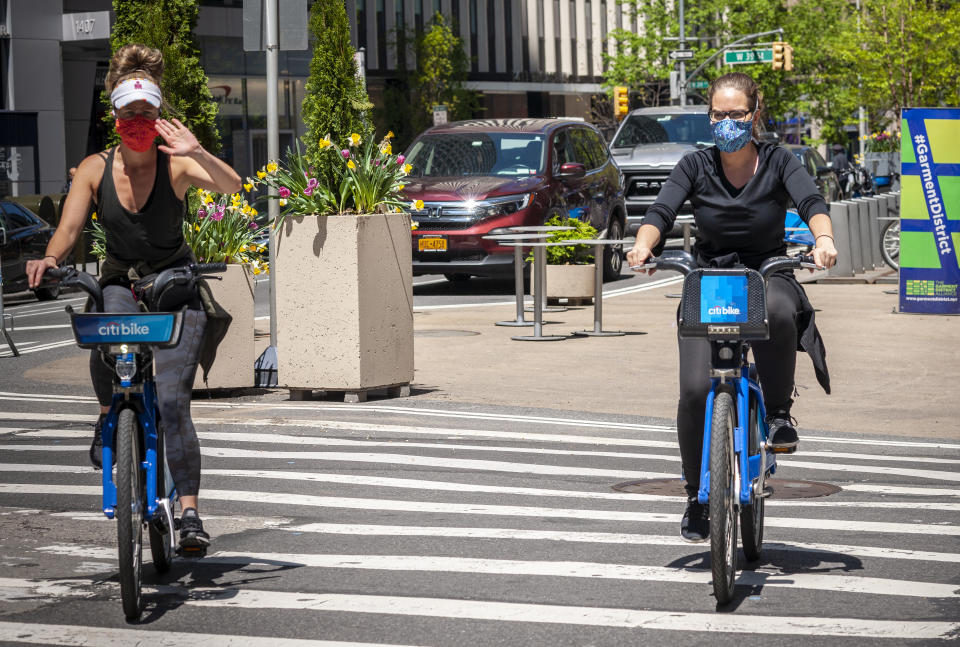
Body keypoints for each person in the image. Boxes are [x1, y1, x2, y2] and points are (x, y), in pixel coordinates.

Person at [26, 44, 242, 552]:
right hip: (123, 281)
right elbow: (68, 230)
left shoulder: (178, 166)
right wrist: (51, 261)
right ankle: (110, 413)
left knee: (172, 402)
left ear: (160, 116)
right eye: (130, 114)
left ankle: (189, 514)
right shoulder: (94, 169)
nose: (139, 121)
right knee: (104, 321)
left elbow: (233, 187)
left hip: (176, 287)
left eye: (148, 113)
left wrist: (198, 151)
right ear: (116, 117)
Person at [626, 72, 838, 543]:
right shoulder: (695, 164)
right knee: (694, 392)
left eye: (736, 114)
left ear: (754, 113)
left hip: (768, 270)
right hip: (711, 279)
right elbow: (659, 213)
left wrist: (822, 238)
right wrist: (643, 247)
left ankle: (779, 415)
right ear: (710, 117)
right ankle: (695, 496)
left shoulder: (781, 161)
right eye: (718, 115)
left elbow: (811, 201)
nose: (727, 122)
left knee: (782, 311)